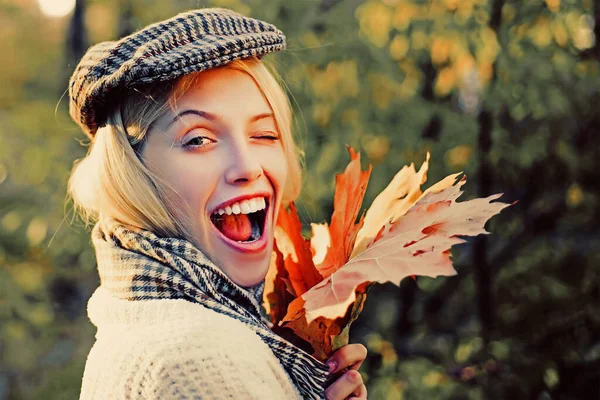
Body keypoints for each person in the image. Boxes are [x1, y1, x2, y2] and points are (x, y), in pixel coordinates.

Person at [67, 7, 367, 400]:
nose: (248, 167)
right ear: (132, 172)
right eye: (198, 139)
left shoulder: (137, 315)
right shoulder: (196, 358)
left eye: (264, 134)